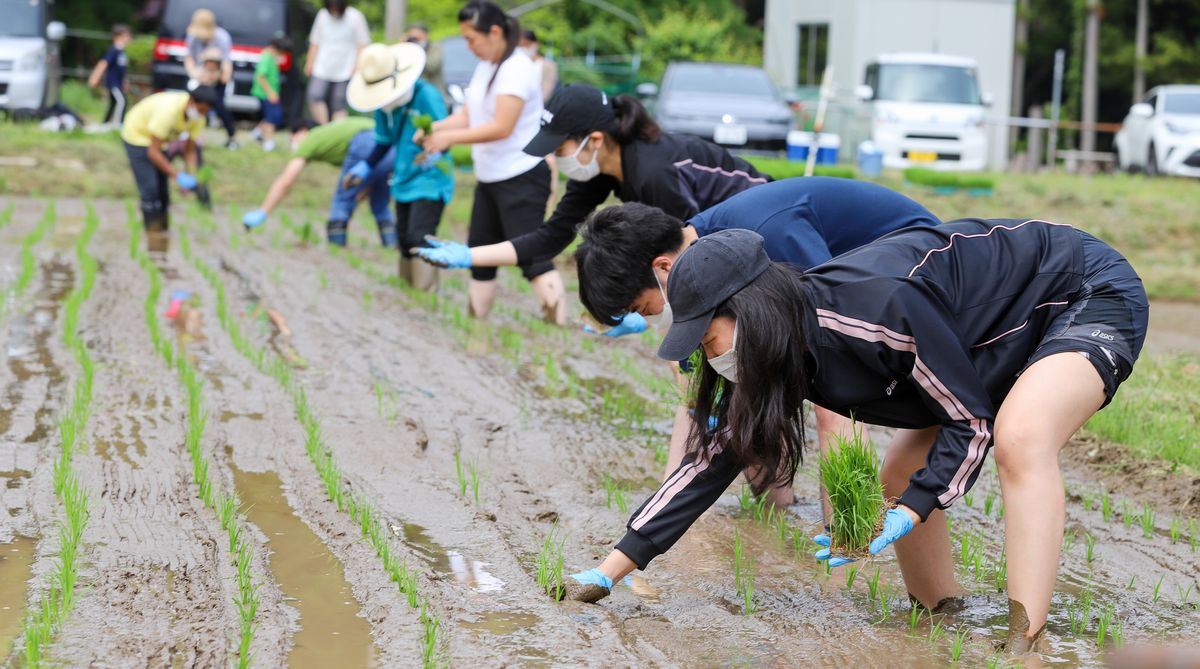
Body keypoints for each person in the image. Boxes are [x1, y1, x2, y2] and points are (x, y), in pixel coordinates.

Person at [567, 222, 1148, 656]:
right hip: (982, 341)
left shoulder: (872, 311)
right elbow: (711, 461)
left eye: (708, 339)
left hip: (1081, 291)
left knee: (1022, 436)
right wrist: (612, 567)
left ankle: (1026, 642)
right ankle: (942, 616)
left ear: (747, 311)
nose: (707, 355)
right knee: (899, 473)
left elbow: (971, 424)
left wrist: (915, 510)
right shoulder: (776, 356)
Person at [575, 178, 941, 508]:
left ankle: (849, 537)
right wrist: (667, 502)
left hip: (923, 272)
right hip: (874, 286)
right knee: (739, 386)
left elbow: (836, 352)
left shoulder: (768, 236)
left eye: (643, 308)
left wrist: (845, 532)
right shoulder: (701, 258)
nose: (653, 318)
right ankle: (779, 506)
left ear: (663, 268)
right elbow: (693, 402)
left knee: (830, 396)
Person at [413, 83, 770, 318]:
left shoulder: (654, 171)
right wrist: (468, 255)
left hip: (761, 226)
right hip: (717, 242)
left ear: (594, 139)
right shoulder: (599, 171)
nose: (557, 157)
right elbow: (552, 237)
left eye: (560, 148)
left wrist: (657, 315)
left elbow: (693, 259)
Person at [415, 1, 564, 323]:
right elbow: (469, 115)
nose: (469, 47)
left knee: (533, 258)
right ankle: (476, 324)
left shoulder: (517, 67)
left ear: (495, 32)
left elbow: (501, 126)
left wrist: (448, 139)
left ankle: (558, 328)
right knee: (479, 256)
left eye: (472, 39)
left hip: (521, 175)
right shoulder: (487, 66)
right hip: (490, 177)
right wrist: (434, 129)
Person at [345, 42, 455, 291]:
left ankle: (426, 294)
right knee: (404, 239)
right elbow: (383, 142)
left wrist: (434, 153)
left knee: (420, 237)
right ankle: (408, 293)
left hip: (430, 177)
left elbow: (446, 133)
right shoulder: (384, 107)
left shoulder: (425, 96)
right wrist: (365, 167)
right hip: (404, 177)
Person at [241, 116, 397, 248]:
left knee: (342, 200)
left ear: (302, 131)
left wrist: (263, 211)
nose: (293, 145)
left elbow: (286, 179)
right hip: (390, 147)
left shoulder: (312, 137)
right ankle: (390, 244)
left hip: (364, 142)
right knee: (381, 204)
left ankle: (337, 248)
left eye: (293, 139)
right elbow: (374, 172)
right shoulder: (334, 132)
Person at [121, 86, 218, 230]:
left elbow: (190, 150)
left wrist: (190, 174)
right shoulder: (169, 112)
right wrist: (178, 176)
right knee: (150, 189)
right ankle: (152, 232)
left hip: (160, 140)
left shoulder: (199, 117)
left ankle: (162, 228)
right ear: (191, 101)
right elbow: (153, 152)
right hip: (137, 135)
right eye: (201, 110)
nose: (202, 114)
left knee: (163, 191)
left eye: (206, 112)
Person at [305, 0, 369, 125]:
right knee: (314, 95)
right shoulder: (322, 15)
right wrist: (309, 62)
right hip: (322, 65)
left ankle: (336, 133)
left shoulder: (355, 17)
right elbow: (315, 41)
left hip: (346, 67)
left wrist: (357, 67)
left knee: (338, 103)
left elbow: (362, 44)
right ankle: (324, 128)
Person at [183, 9, 238, 149]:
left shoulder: (222, 37)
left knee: (219, 106)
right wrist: (194, 74)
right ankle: (192, 138)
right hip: (201, 77)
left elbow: (226, 61)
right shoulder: (193, 37)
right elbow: (189, 57)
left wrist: (223, 75)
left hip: (217, 78)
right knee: (193, 107)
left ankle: (232, 138)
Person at [88, 24, 131, 127]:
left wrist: (124, 81)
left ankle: (105, 123)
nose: (129, 39)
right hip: (113, 83)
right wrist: (95, 77)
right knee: (122, 101)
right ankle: (118, 125)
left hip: (118, 83)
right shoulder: (114, 50)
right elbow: (103, 63)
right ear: (118, 37)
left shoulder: (122, 52)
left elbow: (120, 69)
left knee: (113, 103)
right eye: (126, 36)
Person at [252, 36, 290, 152]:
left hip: (269, 93)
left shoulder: (270, 57)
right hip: (266, 94)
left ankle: (257, 133)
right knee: (272, 117)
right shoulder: (267, 58)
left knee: (270, 116)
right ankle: (268, 142)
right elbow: (261, 76)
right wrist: (271, 93)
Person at [406, 23, 444, 96]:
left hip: (433, 93)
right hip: (415, 95)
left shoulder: (434, 47)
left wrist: (417, 50)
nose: (414, 40)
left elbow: (431, 66)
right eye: (411, 38)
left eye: (416, 38)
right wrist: (404, 47)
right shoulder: (409, 49)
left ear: (425, 34)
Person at [519, 29, 557, 102]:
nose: (523, 48)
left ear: (535, 44)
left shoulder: (548, 65)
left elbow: (547, 91)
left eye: (526, 44)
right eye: (520, 46)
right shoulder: (516, 64)